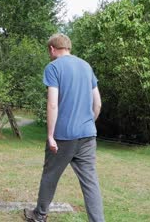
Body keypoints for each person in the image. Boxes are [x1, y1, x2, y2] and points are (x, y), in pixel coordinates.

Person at [24, 33, 104, 222]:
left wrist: (51, 135)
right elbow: (98, 103)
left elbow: (52, 104)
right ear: (68, 47)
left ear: (52, 49)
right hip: (87, 136)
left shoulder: (53, 68)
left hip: (63, 137)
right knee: (90, 182)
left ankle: (39, 216)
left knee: (50, 175)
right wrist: (88, 124)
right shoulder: (86, 66)